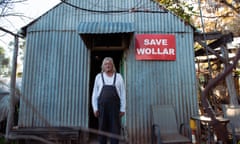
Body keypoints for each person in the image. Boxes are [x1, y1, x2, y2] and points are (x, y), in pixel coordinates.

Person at [92, 57, 126, 144]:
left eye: (109, 64)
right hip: (102, 107)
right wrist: (95, 108)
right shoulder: (98, 77)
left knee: (115, 129)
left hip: (115, 107)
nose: (108, 65)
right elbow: (95, 94)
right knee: (102, 128)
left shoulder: (118, 77)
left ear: (112, 65)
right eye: (106, 64)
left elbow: (123, 94)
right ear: (103, 66)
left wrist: (122, 109)